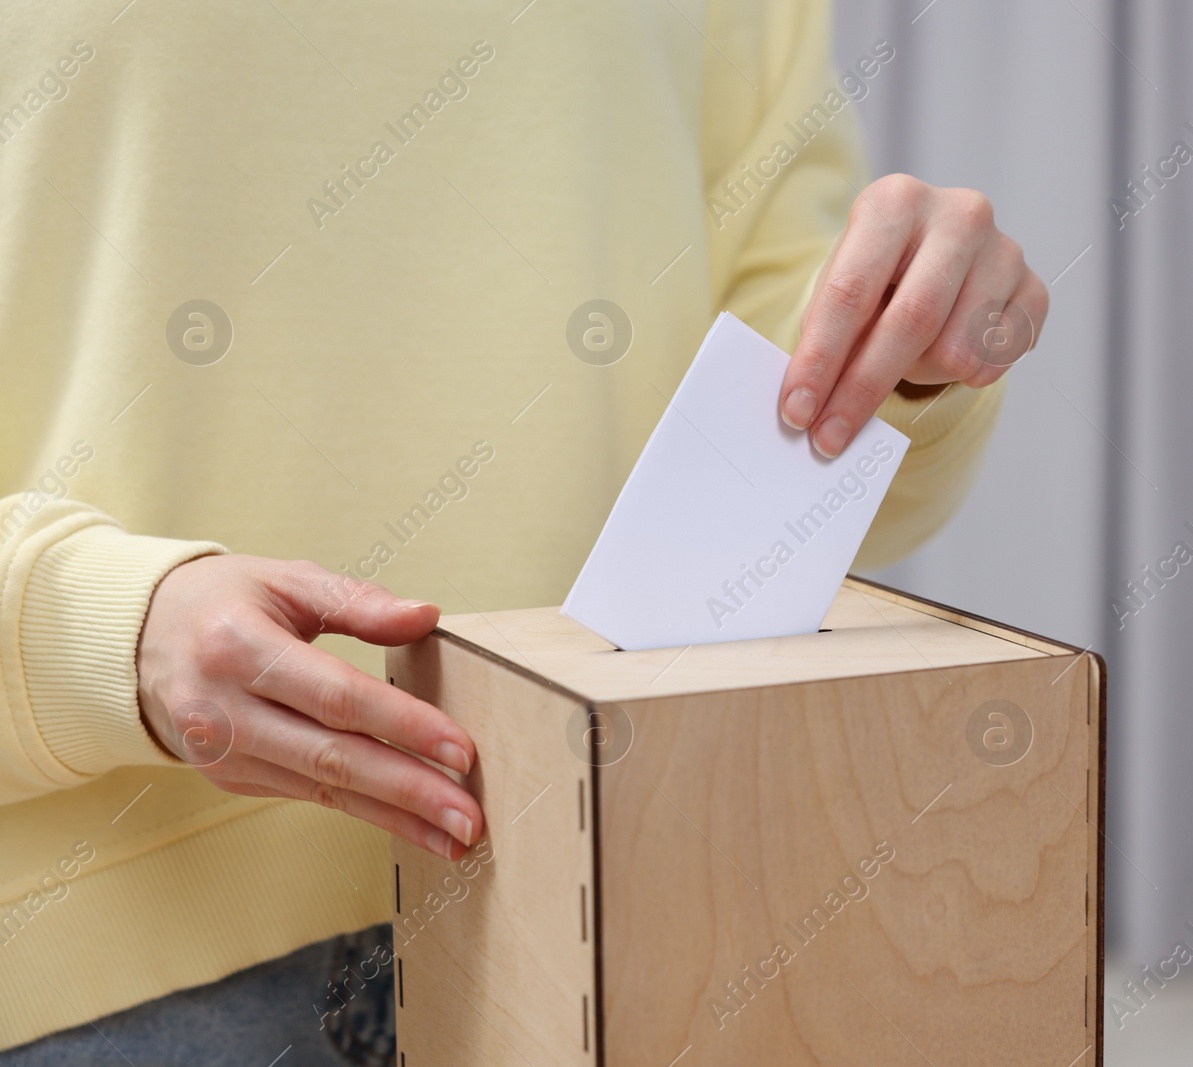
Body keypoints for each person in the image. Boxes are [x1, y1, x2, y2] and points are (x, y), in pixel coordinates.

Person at [0, 1, 1046, 1060]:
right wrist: (96, 629)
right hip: (115, 954)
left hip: (614, 879)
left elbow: (788, 370)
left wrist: (904, 344)